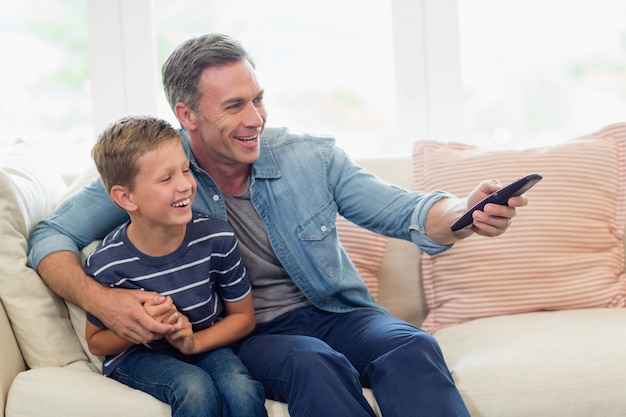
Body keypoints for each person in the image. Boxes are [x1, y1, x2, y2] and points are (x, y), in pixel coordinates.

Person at [28, 33, 528, 417]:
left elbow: (407, 212)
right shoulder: (159, 172)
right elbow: (51, 237)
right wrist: (105, 303)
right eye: (234, 106)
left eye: (258, 99)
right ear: (188, 114)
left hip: (339, 311)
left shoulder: (311, 156)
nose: (256, 118)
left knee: (411, 344)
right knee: (312, 362)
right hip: (253, 332)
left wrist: (466, 213)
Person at [83, 115, 267, 417]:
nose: (184, 185)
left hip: (204, 341)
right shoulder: (107, 263)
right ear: (126, 197)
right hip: (138, 356)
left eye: (185, 170)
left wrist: (193, 342)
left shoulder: (217, 238)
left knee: (242, 389)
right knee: (193, 387)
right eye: (166, 178)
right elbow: (97, 342)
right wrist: (148, 327)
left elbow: (243, 318)